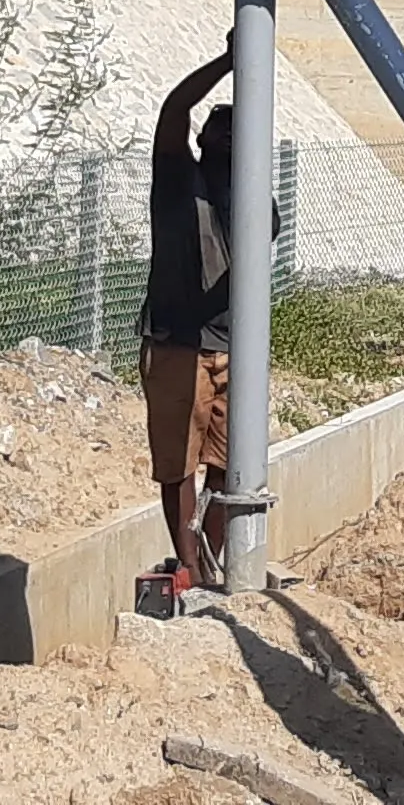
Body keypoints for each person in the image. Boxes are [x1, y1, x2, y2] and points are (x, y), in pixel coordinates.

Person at [136, 52, 238, 593]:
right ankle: (189, 570)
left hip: (234, 345)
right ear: (203, 141)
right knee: (179, 464)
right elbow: (175, 107)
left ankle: (208, 561)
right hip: (179, 344)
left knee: (230, 464)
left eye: (236, 130)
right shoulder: (178, 178)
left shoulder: (246, 194)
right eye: (218, 129)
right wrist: (229, 61)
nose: (226, 137)